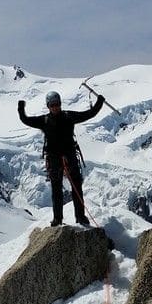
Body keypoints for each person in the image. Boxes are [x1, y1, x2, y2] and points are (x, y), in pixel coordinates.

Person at [18, 91, 105, 226]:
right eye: (52, 105)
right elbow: (25, 120)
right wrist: (21, 107)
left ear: (60, 104)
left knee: (76, 186)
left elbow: (89, 114)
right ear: (48, 106)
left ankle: (80, 217)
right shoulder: (44, 120)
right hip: (55, 158)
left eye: (57, 104)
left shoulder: (68, 116)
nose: (55, 107)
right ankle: (58, 218)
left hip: (68, 156)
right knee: (56, 189)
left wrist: (99, 102)